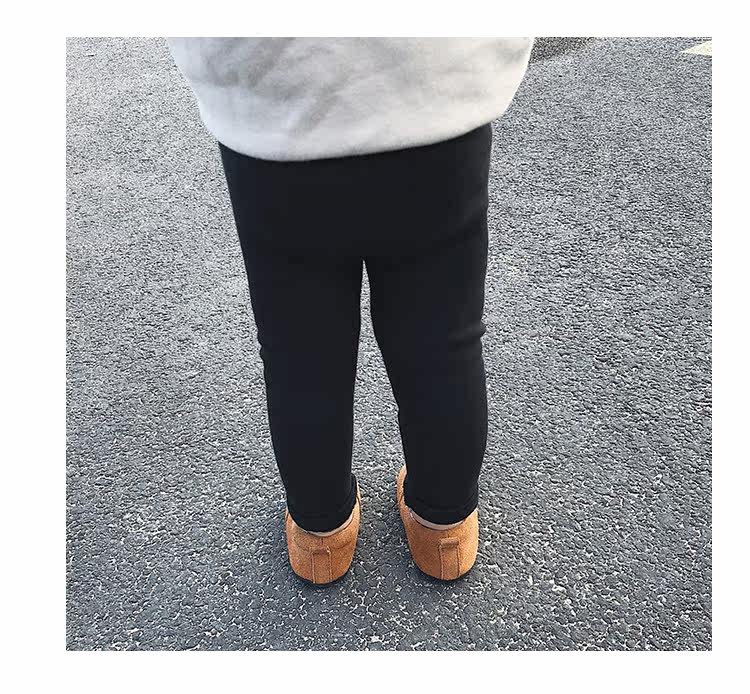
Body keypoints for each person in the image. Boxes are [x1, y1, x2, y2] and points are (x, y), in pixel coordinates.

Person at [166, 37, 533, 584]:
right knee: (441, 336)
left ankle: (321, 534)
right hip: (435, 87)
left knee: (299, 349)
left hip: (276, 102)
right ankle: (444, 526)